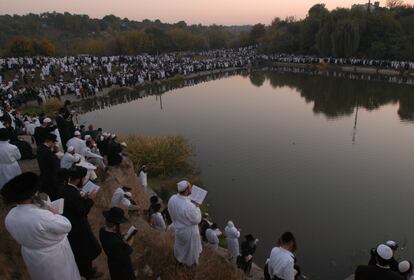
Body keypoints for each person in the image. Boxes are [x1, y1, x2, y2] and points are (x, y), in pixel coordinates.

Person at [1, 172, 81, 280]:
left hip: (31, 255)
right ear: (32, 195)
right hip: (54, 256)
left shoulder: (9, 216)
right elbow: (66, 226)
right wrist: (54, 213)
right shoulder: (41, 216)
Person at [59, 166, 103, 279]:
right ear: (79, 179)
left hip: (70, 225)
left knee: (80, 251)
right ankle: (88, 274)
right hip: (78, 227)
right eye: (83, 179)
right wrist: (90, 199)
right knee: (84, 251)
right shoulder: (73, 193)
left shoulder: (64, 188)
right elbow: (82, 211)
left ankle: (86, 270)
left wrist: (83, 197)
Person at [167, 180, 202, 267]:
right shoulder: (189, 206)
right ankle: (189, 265)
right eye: (190, 188)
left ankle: (179, 260)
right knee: (190, 251)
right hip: (189, 232)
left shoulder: (172, 199)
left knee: (180, 247)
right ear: (186, 191)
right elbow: (197, 219)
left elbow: (171, 210)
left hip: (178, 229)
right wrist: (197, 207)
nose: (191, 189)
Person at [99, 207, 136, 280]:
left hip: (112, 264)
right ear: (116, 223)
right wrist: (131, 239)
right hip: (122, 269)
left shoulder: (102, 231)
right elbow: (125, 252)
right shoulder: (115, 242)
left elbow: (111, 237)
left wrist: (120, 236)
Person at [36, 133, 61, 199]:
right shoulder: (48, 153)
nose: (54, 145)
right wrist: (57, 157)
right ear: (50, 142)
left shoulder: (39, 148)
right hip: (51, 178)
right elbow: (56, 166)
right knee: (54, 196)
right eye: (54, 143)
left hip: (44, 175)